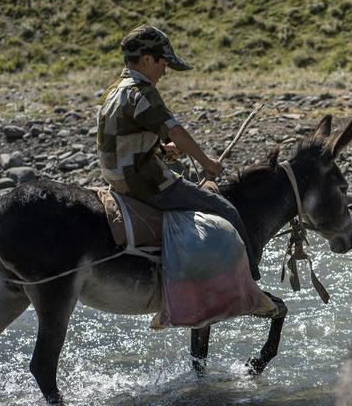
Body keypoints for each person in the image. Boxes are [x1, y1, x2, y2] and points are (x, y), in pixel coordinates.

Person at [96, 24, 262, 281]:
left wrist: (162, 152)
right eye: (163, 63)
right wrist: (209, 163)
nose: (164, 71)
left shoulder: (112, 92)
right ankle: (251, 284)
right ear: (147, 59)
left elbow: (121, 145)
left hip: (117, 182)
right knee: (226, 210)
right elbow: (176, 131)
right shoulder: (143, 92)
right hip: (146, 185)